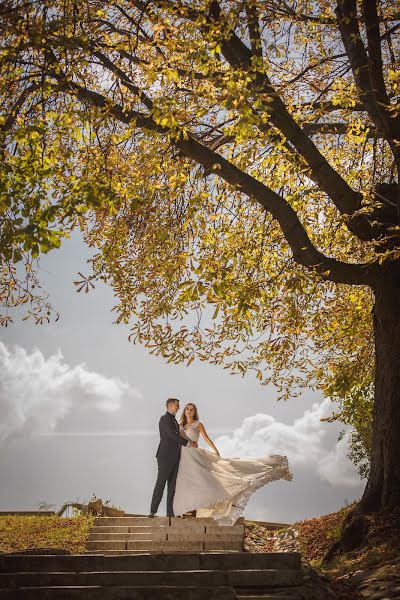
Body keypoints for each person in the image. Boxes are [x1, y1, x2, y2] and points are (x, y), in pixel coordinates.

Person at [173, 403, 293, 525]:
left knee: (201, 481)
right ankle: (188, 509)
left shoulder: (198, 425)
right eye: (187, 409)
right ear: (184, 411)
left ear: (194, 412)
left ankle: (194, 508)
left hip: (194, 456)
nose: (189, 411)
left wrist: (215, 450)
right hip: (183, 456)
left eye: (191, 409)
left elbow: (206, 438)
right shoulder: (179, 425)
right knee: (186, 482)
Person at [149, 398, 198, 517]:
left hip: (176, 457)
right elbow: (172, 434)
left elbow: (179, 434)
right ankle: (153, 511)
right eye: (176, 405)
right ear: (170, 405)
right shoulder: (164, 419)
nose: (178, 407)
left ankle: (170, 513)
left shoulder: (175, 421)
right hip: (165, 456)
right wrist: (188, 443)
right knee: (161, 483)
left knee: (172, 487)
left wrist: (191, 441)